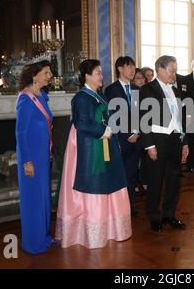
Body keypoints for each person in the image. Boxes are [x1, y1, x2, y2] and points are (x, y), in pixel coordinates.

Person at [55, 59, 132, 249]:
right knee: (94, 183)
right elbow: (82, 124)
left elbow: (107, 116)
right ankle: (90, 232)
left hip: (105, 145)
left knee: (109, 182)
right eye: (98, 72)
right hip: (90, 148)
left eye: (101, 72)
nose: (101, 76)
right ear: (86, 76)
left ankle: (110, 228)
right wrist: (102, 131)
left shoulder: (99, 95)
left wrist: (112, 126)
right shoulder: (81, 97)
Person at [139, 55, 189, 232]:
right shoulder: (147, 90)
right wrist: (149, 146)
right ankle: (154, 216)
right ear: (160, 69)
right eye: (172, 70)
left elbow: (182, 119)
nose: (175, 74)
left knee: (174, 180)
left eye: (175, 70)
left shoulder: (176, 90)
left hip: (176, 141)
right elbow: (143, 120)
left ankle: (169, 215)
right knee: (155, 181)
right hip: (157, 142)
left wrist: (185, 142)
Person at [15, 60, 54, 254]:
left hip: (43, 156)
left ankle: (44, 236)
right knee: (33, 200)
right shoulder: (25, 99)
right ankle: (33, 242)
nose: (50, 76)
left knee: (44, 197)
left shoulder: (42, 95)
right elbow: (20, 134)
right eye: (46, 73)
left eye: (49, 72)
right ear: (35, 75)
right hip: (31, 158)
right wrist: (26, 162)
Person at [105, 56, 140, 217]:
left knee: (132, 175)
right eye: (129, 67)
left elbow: (141, 114)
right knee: (119, 174)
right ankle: (117, 209)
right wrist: (127, 135)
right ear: (120, 69)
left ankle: (129, 206)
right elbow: (113, 116)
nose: (132, 70)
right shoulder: (111, 89)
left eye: (133, 67)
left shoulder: (137, 89)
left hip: (136, 139)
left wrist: (137, 132)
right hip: (120, 140)